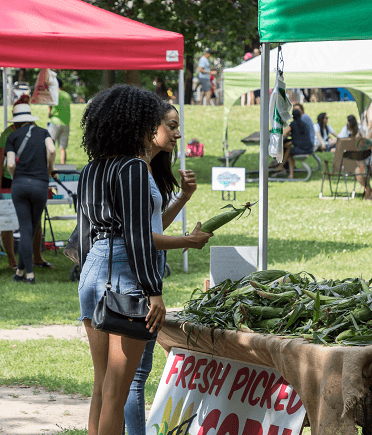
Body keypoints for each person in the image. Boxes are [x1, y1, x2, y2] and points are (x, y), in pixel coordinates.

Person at [76, 85, 167, 435]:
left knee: (101, 387)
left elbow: (83, 235)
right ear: (136, 124)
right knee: (117, 391)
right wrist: (152, 290)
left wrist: (89, 277)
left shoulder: (91, 169)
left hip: (92, 272)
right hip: (126, 275)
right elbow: (137, 235)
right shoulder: (133, 168)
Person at [123, 102, 212, 435]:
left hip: (144, 277)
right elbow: (144, 238)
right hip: (138, 281)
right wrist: (188, 242)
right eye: (171, 125)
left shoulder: (146, 170)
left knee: (131, 376)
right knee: (133, 378)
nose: (177, 133)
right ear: (150, 128)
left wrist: (184, 196)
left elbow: (154, 225)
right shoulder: (135, 170)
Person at [0, 96, 54, 270]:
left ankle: (37, 257)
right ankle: (12, 260)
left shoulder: (37, 131)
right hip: (11, 179)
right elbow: (0, 160)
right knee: (8, 219)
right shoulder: (7, 134)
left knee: (34, 221)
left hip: (27, 178)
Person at [272, 109, 313, 179]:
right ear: (300, 115)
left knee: (291, 153)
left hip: (302, 149)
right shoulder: (304, 124)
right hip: (309, 148)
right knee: (289, 147)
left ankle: (290, 174)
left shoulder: (293, 124)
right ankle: (281, 166)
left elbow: (283, 134)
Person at [47, 77, 72, 164]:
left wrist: (49, 113)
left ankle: (50, 165)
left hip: (55, 121)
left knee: (50, 145)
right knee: (62, 148)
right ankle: (63, 165)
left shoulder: (54, 94)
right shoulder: (67, 95)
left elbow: (50, 106)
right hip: (66, 123)